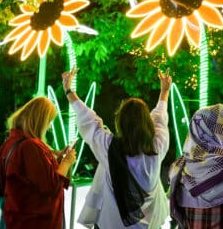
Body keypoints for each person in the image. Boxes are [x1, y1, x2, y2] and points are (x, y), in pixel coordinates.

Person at [62, 68, 171, 228]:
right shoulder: (157, 146)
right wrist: (164, 92)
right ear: (148, 122)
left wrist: (68, 90)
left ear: (120, 121)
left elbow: (87, 119)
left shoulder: (110, 148)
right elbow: (160, 118)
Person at [0, 96, 76, 229]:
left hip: (20, 217)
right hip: (36, 221)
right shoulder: (30, 146)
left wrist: (59, 160)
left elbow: (36, 177)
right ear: (40, 121)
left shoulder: (12, 141)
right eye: (49, 121)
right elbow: (51, 186)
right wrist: (66, 162)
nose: (49, 127)